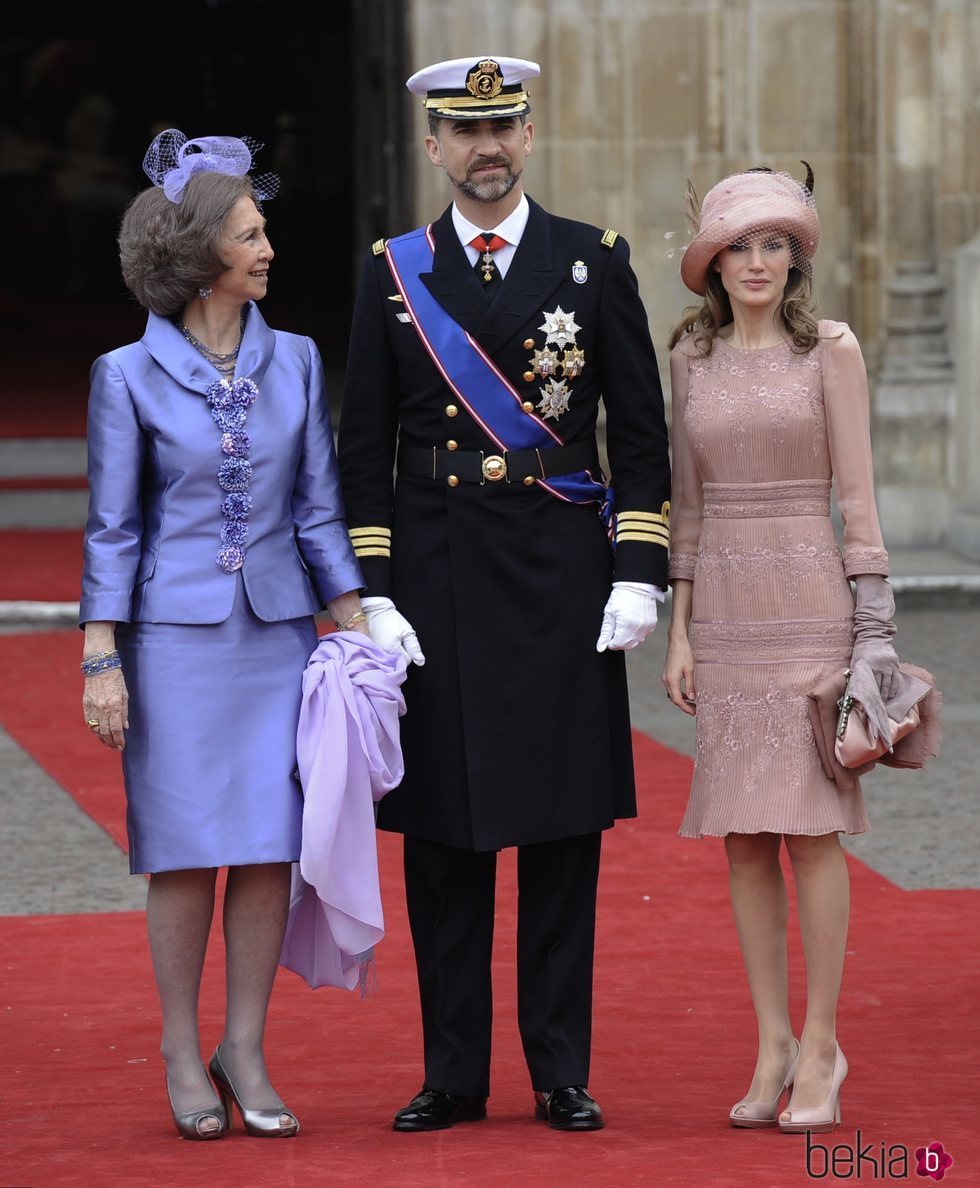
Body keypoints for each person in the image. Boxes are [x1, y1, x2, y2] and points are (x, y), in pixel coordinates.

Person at [337, 56, 671, 1132]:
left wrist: (636, 568)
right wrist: (372, 589)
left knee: (562, 834)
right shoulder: (392, 270)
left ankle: (559, 1072)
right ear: (432, 147)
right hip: (432, 578)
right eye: (462, 130)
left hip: (560, 575)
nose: (485, 146)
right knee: (441, 840)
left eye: (503, 126)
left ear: (527, 138)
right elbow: (359, 449)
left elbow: (641, 434)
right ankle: (452, 1073)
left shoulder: (591, 262)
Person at [79, 128, 368, 1141]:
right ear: (202, 255)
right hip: (173, 644)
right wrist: (100, 656)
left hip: (278, 638)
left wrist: (357, 623)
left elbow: (319, 511)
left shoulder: (294, 359)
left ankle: (243, 1046)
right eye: (251, 233)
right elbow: (114, 528)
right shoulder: (126, 375)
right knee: (182, 851)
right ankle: (176, 1044)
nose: (268, 248)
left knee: (264, 850)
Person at [661, 165, 903, 1133]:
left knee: (807, 832)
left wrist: (872, 635)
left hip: (810, 605)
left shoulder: (828, 350)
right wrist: (677, 632)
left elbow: (857, 497)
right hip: (723, 607)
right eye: (739, 246)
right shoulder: (688, 355)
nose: (756, 262)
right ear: (710, 262)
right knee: (744, 837)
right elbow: (686, 502)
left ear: (793, 260)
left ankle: (819, 1044)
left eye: (773, 245)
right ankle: (766, 1044)